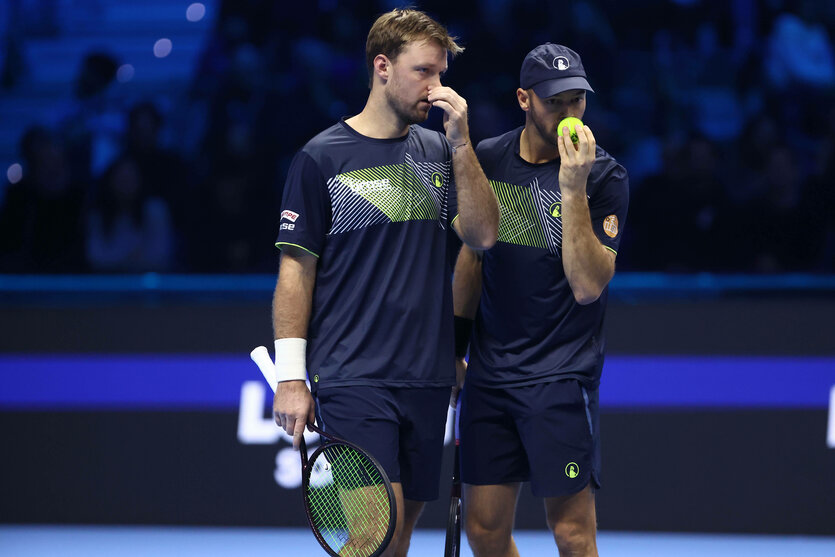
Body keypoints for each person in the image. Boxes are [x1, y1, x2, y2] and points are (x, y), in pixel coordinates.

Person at [269, 8, 499, 557]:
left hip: (425, 378)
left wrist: (463, 144)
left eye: (441, 74)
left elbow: (484, 235)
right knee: (374, 534)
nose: (436, 88)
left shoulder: (442, 154)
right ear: (382, 68)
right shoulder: (321, 158)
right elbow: (295, 274)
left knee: (394, 544)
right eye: (424, 72)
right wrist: (291, 377)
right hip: (352, 375)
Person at [452, 43, 629, 557]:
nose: (570, 114)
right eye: (556, 102)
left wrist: (572, 189)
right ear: (524, 100)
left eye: (578, 100)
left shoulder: (604, 177)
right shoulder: (488, 158)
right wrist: (455, 348)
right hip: (490, 376)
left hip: (560, 377)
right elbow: (472, 258)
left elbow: (587, 285)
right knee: (484, 532)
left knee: (573, 535)